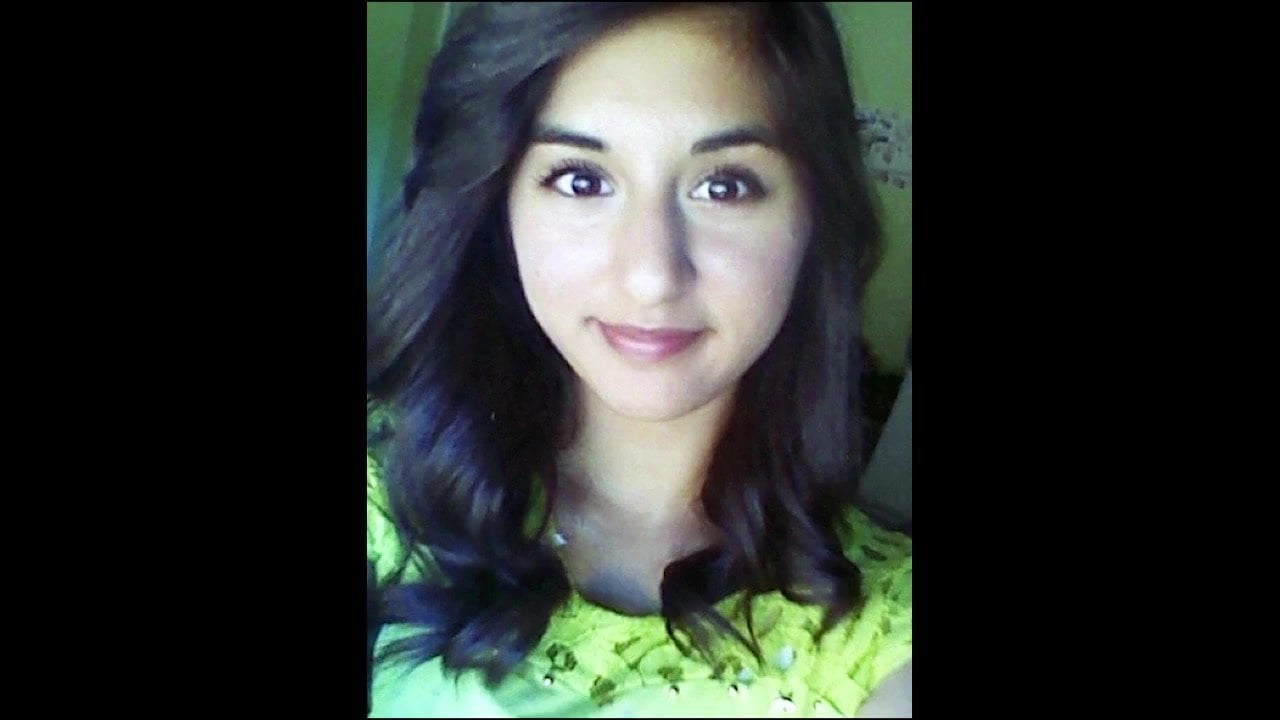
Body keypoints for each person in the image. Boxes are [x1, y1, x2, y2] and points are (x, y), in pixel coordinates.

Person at [366, 3, 911, 716]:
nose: (652, 275)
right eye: (581, 180)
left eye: (724, 186)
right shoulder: (385, 495)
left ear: (815, 218)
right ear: (500, 208)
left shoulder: (878, 631)